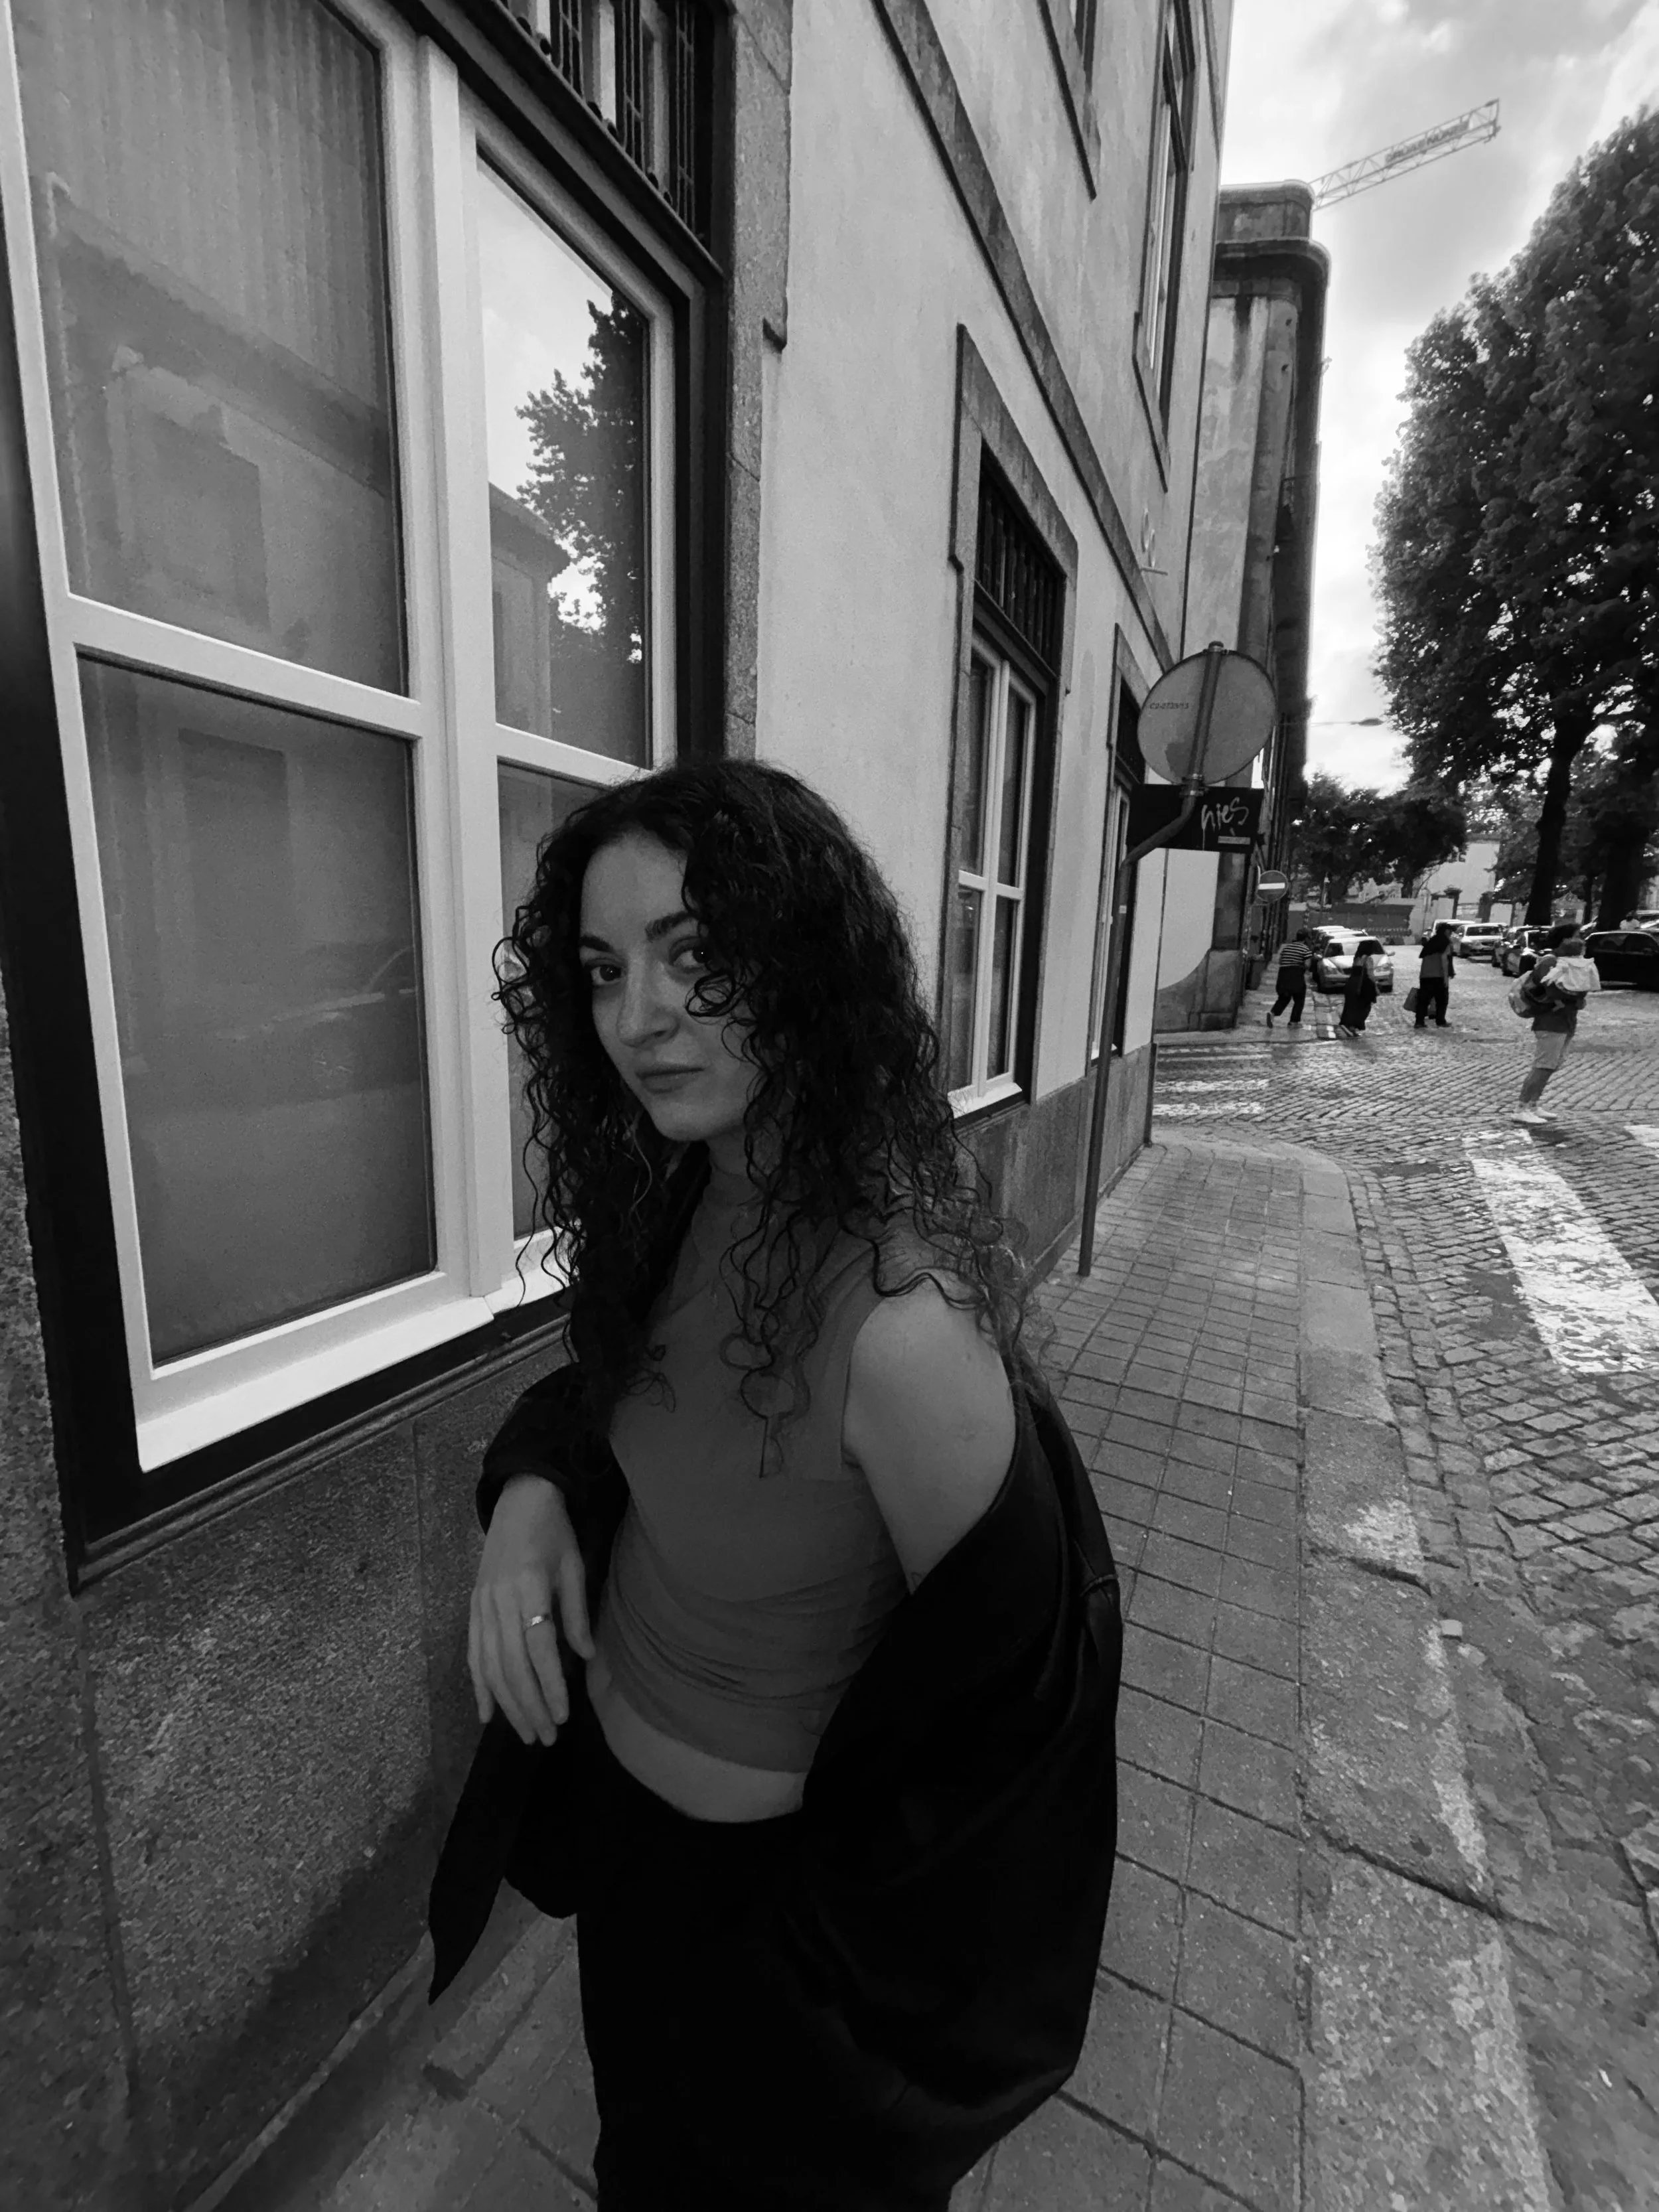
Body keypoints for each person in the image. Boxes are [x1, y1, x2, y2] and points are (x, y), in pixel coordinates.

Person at [425, 761, 1121, 2210]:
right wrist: (529, 1499)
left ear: (799, 960)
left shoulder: (902, 1332)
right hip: (631, 1866)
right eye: (606, 970)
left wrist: (834, 2006)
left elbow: (1021, 1738)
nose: (637, 1017)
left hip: (782, 1953)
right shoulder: (683, 1192)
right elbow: (617, 1400)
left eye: (694, 956)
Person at [1515, 921, 1597, 1124]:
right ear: (1565, 940)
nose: (1581, 940)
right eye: (1577, 936)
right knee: (1543, 1065)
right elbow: (1551, 990)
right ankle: (1521, 1108)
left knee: (1552, 1065)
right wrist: (1573, 997)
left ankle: (1533, 1104)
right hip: (1551, 1021)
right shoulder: (1549, 962)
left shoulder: (1568, 962)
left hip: (1566, 1020)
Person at [1336, 936, 1384, 1037]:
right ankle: (1352, 1026)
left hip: (1352, 984)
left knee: (1352, 1006)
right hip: (1362, 986)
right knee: (1364, 1007)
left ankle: (1350, 1026)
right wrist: (1376, 988)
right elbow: (1370, 975)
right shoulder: (1368, 959)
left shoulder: (1357, 958)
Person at [1265, 928, 1313, 1026]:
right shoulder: (1305, 949)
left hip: (1283, 975)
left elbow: (1280, 962)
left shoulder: (1287, 948)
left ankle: (1272, 1013)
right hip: (1296, 976)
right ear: (1306, 939)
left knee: (1284, 997)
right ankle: (1294, 1021)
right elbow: (1308, 965)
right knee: (1299, 999)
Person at [1415, 919, 1457, 1027]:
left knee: (1423, 1000)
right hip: (1438, 976)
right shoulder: (1445, 943)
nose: (1451, 934)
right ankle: (1440, 1020)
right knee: (1442, 1000)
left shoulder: (1432, 942)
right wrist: (1446, 978)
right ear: (1446, 932)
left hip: (1425, 976)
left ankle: (1419, 1022)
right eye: (1450, 932)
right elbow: (1444, 960)